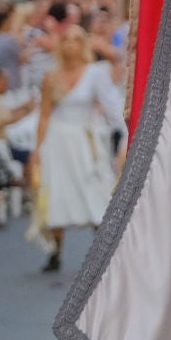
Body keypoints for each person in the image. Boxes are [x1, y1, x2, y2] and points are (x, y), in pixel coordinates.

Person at [30, 26, 122, 273]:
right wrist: (37, 149)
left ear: (83, 44)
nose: (71, 45)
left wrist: (125, 133)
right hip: (57, 141)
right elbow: (45, 115)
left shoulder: (95, 73)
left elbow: (111, 104)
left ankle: (104, 253)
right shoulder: (50, 76)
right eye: (66, 40)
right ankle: (54, 252)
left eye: (76, 40)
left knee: (94, 192)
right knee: (56, 193)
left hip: (83, 139)